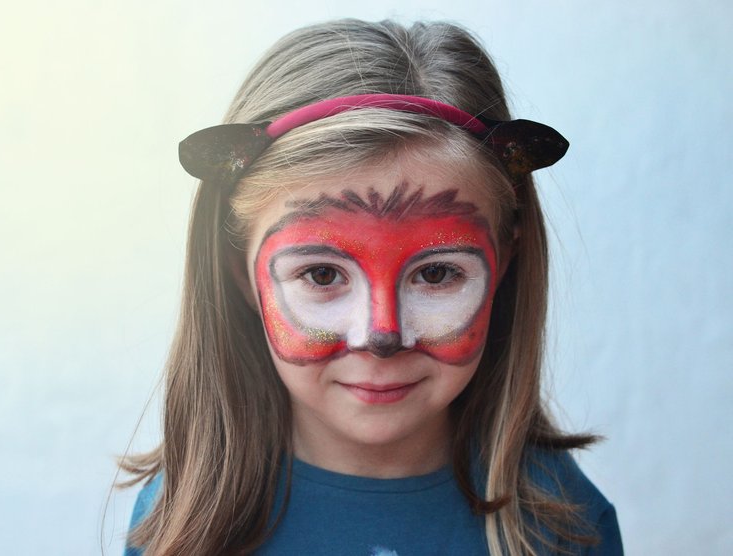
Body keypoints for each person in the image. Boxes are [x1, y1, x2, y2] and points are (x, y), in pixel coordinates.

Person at [120, 19, 623, 556]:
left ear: (504, 263)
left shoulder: (566, 526)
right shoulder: (181, 528)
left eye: (435, 273)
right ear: (241, 274)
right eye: (322, 274)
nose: (381, 334)